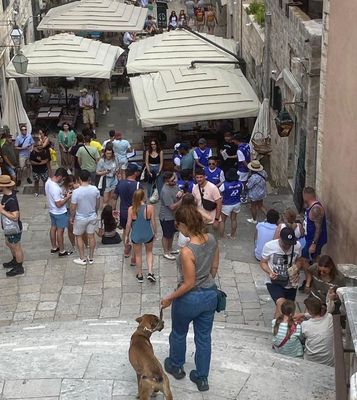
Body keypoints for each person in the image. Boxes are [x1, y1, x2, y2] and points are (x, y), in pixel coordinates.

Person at [161, 206, 219, 392]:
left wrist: (169, 298)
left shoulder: (187, 251)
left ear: (184, 224)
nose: (178, 228)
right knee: (204, 338)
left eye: (178, 225)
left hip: (189, 299)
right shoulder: (211, 240)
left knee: (179, 333)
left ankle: (176, 365)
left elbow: (189, 283)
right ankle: (202, 378)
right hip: (210, 294)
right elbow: (214, 268)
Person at [260, 227, 303, 317]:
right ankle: (283, 327)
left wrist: (295, 269)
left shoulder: (297, 246)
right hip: (274, 281)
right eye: (285, 243)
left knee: (287, 307)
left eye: (290, 244)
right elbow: (263, 262)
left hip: (291, 283)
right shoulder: (269, 246)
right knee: (282, 304)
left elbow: (299, 260)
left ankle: (276, 325)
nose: (288, 246)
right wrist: (270, 272)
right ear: (280, 238)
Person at [299, 187, 328, 292]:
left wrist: (314, 244)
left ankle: (310, 281)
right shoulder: (310, 206)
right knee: (312, 259)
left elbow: (318, 229)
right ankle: (313, 279)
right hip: (308, 239)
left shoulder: (316, 209)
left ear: (306, 195)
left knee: (304, 259)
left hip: (313, 240)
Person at [125, 189, 157, 283]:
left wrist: (127, 236)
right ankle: (150, 272)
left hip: (136, 235)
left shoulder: (131, 209)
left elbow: (128, 224)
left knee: (138, 255)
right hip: (147, 234)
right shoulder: (150, 208)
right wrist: (155, 233)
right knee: (149, 252)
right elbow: (153, 222)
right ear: (143, 197)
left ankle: (140, 275)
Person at [70, 169, 100, 265]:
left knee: (78, 236)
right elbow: (98, 203)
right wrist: (95, 212)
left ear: (79, 179)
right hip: (92, 216)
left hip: (80, 217)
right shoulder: (95, 189)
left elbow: (73, 207)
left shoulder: (76, 192)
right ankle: (91, 257)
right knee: (91, 236)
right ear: (89, 179)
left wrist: (72, 217)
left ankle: (82, 258)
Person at [112, 163, 141, 263]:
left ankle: (126, 248)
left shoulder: (120, 183)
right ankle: (134, 257)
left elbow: (114, 197)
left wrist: (113, 209)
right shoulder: (137, 185)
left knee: (125, 231)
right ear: (135, 173)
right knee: (136, 233)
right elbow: (142, 200)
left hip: (124, 212)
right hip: (135, 212)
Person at [45, 167, 72, 257]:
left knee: (53, 228)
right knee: (60, 231)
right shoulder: (55, 188)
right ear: (60, 176)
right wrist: (67, 197)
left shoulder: (48, 182)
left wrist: (62, 195)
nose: (63, 181)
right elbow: (59, 204)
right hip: (59, 212)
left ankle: (54, 247)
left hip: (52, 210)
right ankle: (62, 250)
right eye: (63, 179)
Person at [0, 175, 24, 276]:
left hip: (14, 228)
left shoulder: (12, 200)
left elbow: (15, 217)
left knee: (16, 246)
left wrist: (1, 210)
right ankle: (15, 260)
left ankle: (19, 267)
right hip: (8, 227)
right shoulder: (6, 195)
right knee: (9, 243)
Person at [301, 297, 334, 366]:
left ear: (309, 310)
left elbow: (302, 337)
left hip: (311, 361)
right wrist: (303, 314)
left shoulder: (305, 324)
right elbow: (323, 313)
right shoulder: (329, 317)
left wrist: (302, 315)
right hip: (329, 361)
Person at [159, 171, 182, 260]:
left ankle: (170, 249)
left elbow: (179, 191)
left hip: (174, 216)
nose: (174, 181)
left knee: (172, 233)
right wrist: (182, 200)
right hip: (166, 217)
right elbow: (171, 207)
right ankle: (166, 252)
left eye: (174, 178)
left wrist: (181, 193)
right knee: (166, 235)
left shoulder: (174, 185)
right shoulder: (165, 191)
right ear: (166, 181)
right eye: (172, 180)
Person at [219, 168, 243, 239]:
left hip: (226, 204)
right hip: (237, 203)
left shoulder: (224, 185)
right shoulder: (240, 183)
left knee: (222, 221)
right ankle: (233, 235)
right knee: (234, 219)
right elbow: (241, 191)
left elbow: (219, 193)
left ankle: (222, 236)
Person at [232, 132, 251, 203]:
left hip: (243, 169)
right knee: (246, 183)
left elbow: (243, 161)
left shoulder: (239, 150)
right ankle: (245, 196)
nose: (233, 142)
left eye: (234, 140)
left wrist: (248, 168)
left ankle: (243, 197)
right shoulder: (247, 145)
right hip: (248, 166)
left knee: (241, 184)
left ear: (237, 140)